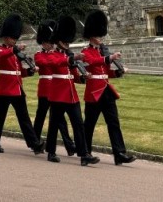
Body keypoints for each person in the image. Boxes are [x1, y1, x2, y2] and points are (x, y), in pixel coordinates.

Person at [81, 10, 136, 166]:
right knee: (89, 124)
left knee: (113, 123)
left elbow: (106, 73)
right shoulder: (86, 52)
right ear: (91, 36)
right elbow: (93, 63)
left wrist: (118, 72)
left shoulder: (102, 51)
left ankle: (119, 153)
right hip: (94, 92)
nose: (100, 38)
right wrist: (109, 58)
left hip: (106, 91)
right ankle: (85, 153)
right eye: (98, 35)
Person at [44, 16, 99, 166]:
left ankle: (84, 154)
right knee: (54, 125)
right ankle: (51, 151)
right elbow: (55, 63)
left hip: (71, 95)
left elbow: (73, 76)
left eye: (68, 41)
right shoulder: (52, 54)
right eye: (64, 41)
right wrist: (72, 58)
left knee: (78, 124)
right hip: (57, 95)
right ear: (58, 41)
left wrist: (83, 78)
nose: (67, 44)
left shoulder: (68, 55)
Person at [0, 13, 45, 155]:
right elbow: (2, 56)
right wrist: (15, 49)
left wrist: (30, 71)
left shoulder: (13, 53)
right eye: (13, 38)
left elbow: (19, 71)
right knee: (0, 117)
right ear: (6, 37)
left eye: (15, 38)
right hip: (5, 89)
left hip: (17, 89)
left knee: (24, 118)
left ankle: (34, 144)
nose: (14, 40)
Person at [33, 19, 76, 157]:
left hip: (57, 89)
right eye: (47, 43)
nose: (50, 45)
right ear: (42, 42)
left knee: (60, 120)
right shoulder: (39, 55)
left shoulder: (56, 55)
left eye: (51, 42)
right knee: (41, 116)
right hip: (45, 89)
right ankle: (35, 142)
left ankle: (69, 145)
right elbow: (45, 63)